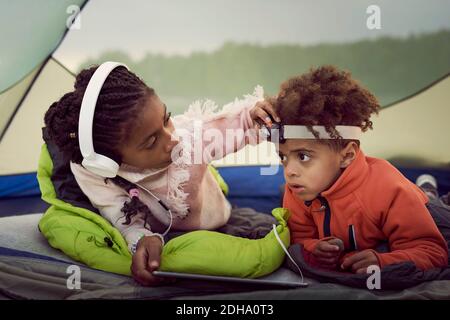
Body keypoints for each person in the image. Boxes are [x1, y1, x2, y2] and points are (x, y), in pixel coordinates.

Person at [43, 63, 278, 285]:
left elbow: (236, 127)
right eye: (151, 141)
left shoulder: (189, 141)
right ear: (109, 162)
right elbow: (118, 213)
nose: (172, 139)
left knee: (272, 235)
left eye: (167, 120)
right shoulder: (97, 171)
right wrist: (141, 239)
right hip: (167, 233)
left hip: (219, 220)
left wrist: (254, 115)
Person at [270, 65, 448, 274]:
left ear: (346, 155)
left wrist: (383, 261)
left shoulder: (389, 189)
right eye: (283, 157)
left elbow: (433, 251)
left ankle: (427, 191)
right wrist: (313, 247)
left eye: (303, 156)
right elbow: (299, 238)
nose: (289, 170)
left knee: (439, 210)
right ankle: (427, 187)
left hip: (425, 210)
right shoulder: (297, 189)